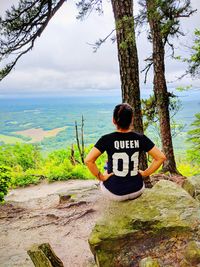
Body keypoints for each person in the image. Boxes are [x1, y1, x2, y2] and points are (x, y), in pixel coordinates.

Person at [84, 103, 166, 201]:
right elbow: (161, 157)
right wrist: (144, 173)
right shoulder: (141, 138)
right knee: (108, 163)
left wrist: (102, 177)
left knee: (106, 168)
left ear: (114, 120)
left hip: (115, 193)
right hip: (137, 190)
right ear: (131, 120)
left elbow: (89, 161)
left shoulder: (106, 139)